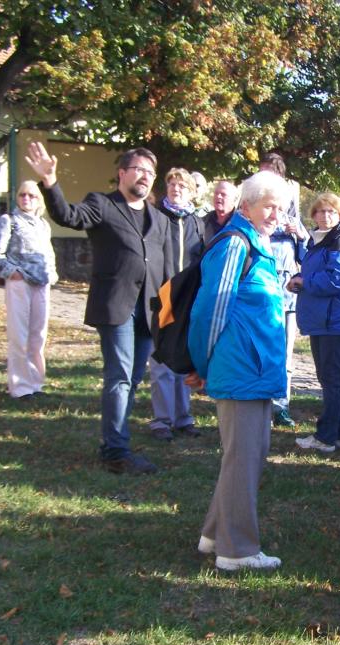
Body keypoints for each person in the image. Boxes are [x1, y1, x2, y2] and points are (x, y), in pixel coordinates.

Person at [27, 141, 172, 475]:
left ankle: (116, 437)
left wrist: (167, 309)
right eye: (138, 169)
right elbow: (68, 216)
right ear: (122, 173)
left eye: (150, 172)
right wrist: (50, 181)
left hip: (148, 309)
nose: (145, 176)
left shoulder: (159, 219)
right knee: (119, 376)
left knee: (133, 378)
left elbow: (163, 267)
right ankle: (115, 451)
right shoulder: (103, 205)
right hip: (117, 306)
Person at [187, 170, 289, 571]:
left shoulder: (256, 245)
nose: (275, 214)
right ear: (246, 206)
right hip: (239, 370)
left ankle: (214, 535)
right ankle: (238, 551)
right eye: (268, 206)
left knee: (246, 455)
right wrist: (202, 365)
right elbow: (209, 311)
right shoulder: (235, 244)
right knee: (243, 458)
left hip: (255, 371)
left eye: (280, 208)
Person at [290, 194, 340, 453]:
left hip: (334, 320)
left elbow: (339, 278)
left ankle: (325, 438)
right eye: (320, 211)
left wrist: (305, 283)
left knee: (330, 379)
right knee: (328, 379)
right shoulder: (317, 241)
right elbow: (315, 274)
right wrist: (300, 278)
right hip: (321, 319)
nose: (325, 215)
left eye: (331, 211)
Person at [0, 180, 58, 399]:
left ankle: (36, 384)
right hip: (20, 283)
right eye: (22, 195)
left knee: (38, 336)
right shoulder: (9, 221)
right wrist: (12, 272)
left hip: (42, 283)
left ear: (39, 200)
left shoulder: (43, 225)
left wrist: (52, 274)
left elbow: (49, 253)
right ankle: (20, 387)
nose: (26, 199)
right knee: (20, 335)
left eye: (31, 196)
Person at [148, 167, 202, 442]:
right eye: (171, 184)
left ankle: (184, 418)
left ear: (191, 192)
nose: (175, 189)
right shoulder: (156, 217)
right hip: (163, 299)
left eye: (181, 186)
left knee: (184, 357)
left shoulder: (197, 223)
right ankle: (161, 420)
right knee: (160, 359)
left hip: (188, 302)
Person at [259, 153, 308, 428]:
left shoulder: (292, 213)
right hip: (259, 291)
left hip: (287, 292)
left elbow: (306, 251)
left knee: (285, 355)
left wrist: (298, 234)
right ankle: (259, 404)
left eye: (272, 174)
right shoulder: (253, 207)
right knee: (261, 349)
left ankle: (281, 406)